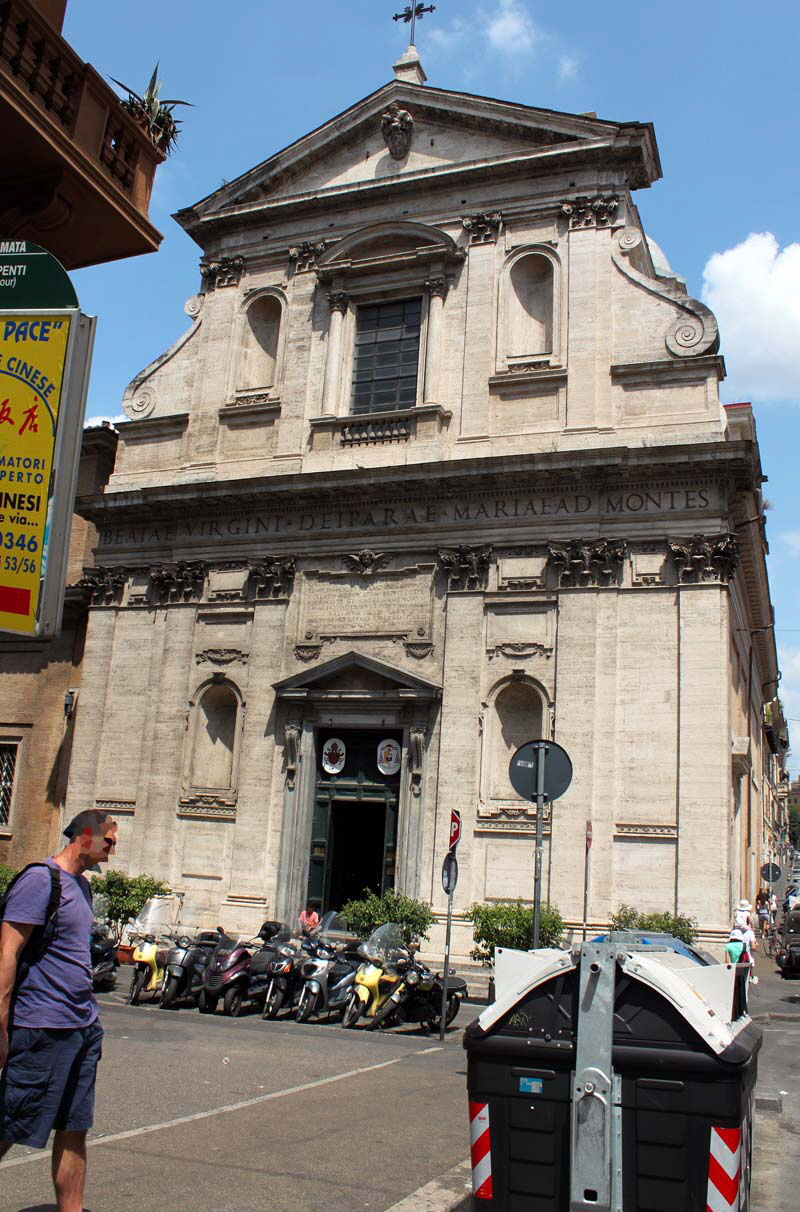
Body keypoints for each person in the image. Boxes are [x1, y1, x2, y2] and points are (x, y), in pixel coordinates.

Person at [0, 809, 117, 1211]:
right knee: (12, 1121)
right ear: (85, 836)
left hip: (81, 1027)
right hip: (41, 1025)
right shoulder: (39, 882)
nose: (113, 847)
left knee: (74, 1128)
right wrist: (0, 1026)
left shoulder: (81, 888)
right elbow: (7, 954)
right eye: (110, 839)